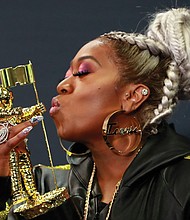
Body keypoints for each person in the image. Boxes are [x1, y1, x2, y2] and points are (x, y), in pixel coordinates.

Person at [0, 7, 190, 220]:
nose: (62, 85)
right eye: (66, 75)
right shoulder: (43, 189)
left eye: (82, 72)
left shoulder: (182, 186)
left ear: (133, 96)